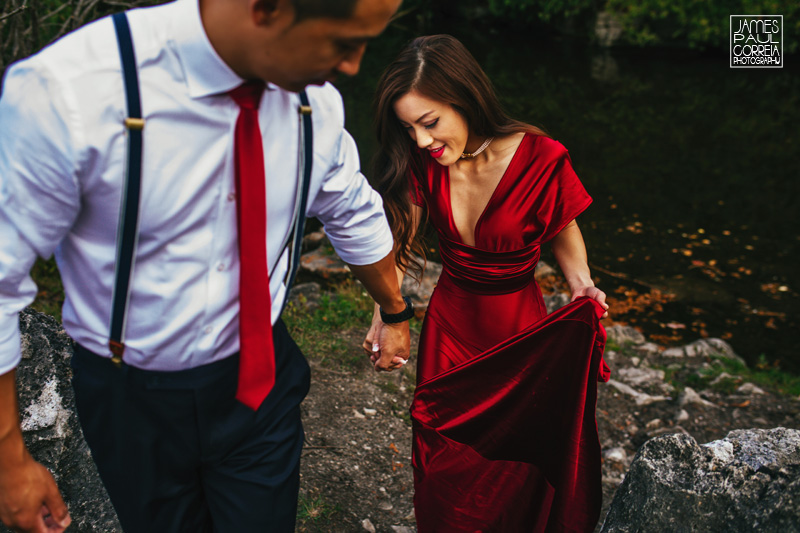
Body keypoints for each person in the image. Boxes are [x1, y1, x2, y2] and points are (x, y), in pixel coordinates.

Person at [0, 0, 410, 531]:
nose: (354, 67)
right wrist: (10, 460)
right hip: (131, 400)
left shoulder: (317, 106)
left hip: (263, 384)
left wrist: (394, 310)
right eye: (341, 43)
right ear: (266, 9)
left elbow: (352, 209)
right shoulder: (72, 92)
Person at [364, 35, 612, 532]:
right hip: (449, 331)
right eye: (408, 128)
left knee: (513, 463)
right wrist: (384, 314)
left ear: (464, 96)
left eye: (429, 123)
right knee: (441, 462)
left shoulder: (542, 157)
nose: (420, 141)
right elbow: (403, 242)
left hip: (519, 336)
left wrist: (581, 285)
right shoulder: (422, 162)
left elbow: (563, 227)